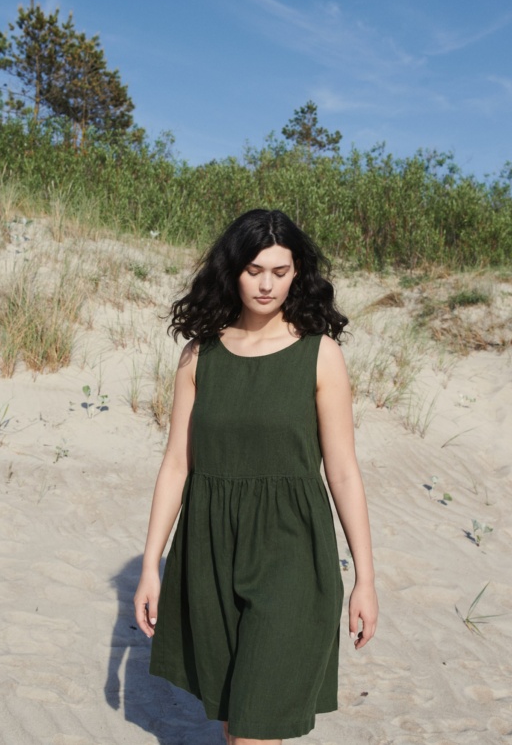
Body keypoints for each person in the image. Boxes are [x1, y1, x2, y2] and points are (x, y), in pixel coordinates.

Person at [134, 209, 378, 745]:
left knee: (255, 729)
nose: (266, 284)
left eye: (280, 270)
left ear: (298, 274)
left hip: (292, 552)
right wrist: (151, 565)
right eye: (253, 269)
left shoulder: (321, 355)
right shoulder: (200, 354)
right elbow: (177, 462)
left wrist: (365, 576)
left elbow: (342, 470)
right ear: (231, 271)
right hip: (210, 551)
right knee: (232, 721)